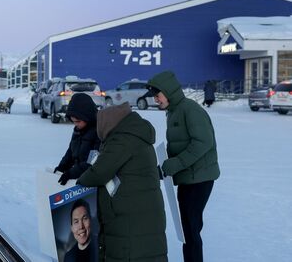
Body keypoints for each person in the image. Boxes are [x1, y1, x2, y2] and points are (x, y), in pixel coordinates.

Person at [77, 103, 167, 262]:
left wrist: (79, 181)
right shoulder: (134, 134)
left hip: (130, 215)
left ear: (107, 124)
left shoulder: (122, 140)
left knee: (132, 252)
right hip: (141, 210)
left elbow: (99, 172)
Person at [146, 70, 220, 262]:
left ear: (168, 91)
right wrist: (165, 167)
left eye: (157, 95)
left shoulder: (190, 109)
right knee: (187, 228)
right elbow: (180, 145)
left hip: (200, 178)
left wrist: (176, 164)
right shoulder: (174, 111)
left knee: (190, 229)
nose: (156, 100)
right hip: (188, 177)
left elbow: (203, 142)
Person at [54, 93, 100, 185]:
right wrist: (62, 166)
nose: (76, 124)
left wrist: (71, 173)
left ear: (87, 117)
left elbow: (92, 161)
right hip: (78, 177)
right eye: (73, 121)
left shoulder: (98, 132)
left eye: (78, 121)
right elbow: (71, 152)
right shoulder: (78, 130)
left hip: (91, 180)